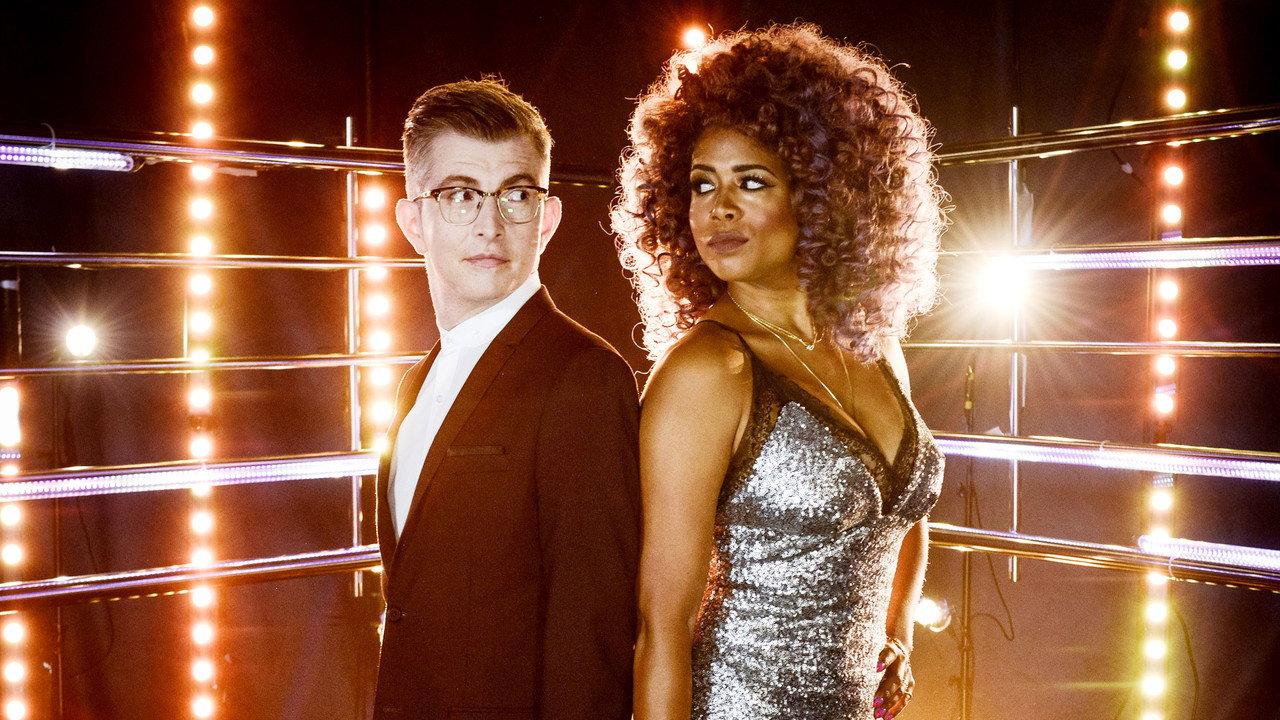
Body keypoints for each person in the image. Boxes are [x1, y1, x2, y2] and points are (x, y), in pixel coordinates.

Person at [612, 23, 948, 720]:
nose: (719, 208)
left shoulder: (873, 344)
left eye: (752, 181)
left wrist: (897, 632)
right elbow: (661, 631)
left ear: (824, 194)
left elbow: (902, 511)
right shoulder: (708, 371)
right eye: (701, 184)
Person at [373, 78, 641, 720]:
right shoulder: (416, 383)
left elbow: (592, 644)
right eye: (461, 195)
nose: (490, 226)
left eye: (516, 195)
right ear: (413, 222)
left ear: (547, 219)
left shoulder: (585, 378)